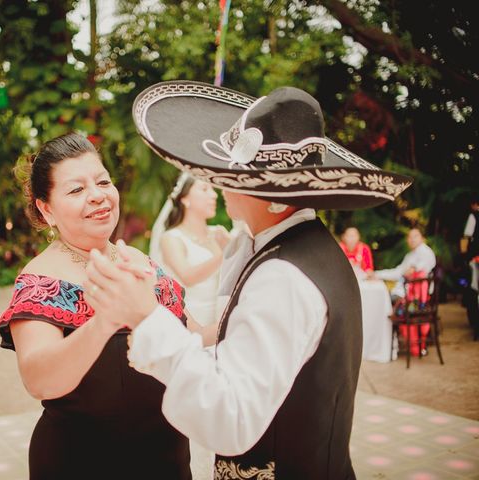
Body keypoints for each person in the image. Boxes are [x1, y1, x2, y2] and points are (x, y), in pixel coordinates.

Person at [84, 81, 412, 479]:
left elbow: (231, 418)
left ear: (271, 193)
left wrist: (145, 317)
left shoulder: (283, 277)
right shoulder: (298, 250)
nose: (220, 182)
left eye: (231, 174)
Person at [0, 132, 195, 479]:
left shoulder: (138, 260)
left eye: (103, 181)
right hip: (80, 461)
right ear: (47, 208)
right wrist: (105, 320)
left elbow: (192, 334)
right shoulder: (39, 281)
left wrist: (239, 309)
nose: (98, 196)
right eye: (76, 190)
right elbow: (39, 381)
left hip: (166, 456)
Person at [149, 172, 230, 326]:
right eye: (205, 189)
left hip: (221, 320)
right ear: (185, 199)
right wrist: (226, 253)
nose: (214, 195)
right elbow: (187, 276)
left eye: (213, 190)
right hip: (189, 323)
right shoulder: (172, 238)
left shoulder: (219, 234)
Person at [369, 228, 437, 303]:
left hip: (413, 296)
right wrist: (377, 274)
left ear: (422, 238)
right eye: (410, 237)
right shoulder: (410, 255)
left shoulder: (425, 252)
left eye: (415, 236)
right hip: (402, 291)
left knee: (377, 298)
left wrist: (406, 273)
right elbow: (398, 272)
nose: (412, 239)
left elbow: (409, 272)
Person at [460, 195, 479, 339]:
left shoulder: (474, 216)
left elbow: (466, 238)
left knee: (474, 291)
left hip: (475, 261)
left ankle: (475, 326)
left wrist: (465, 257)